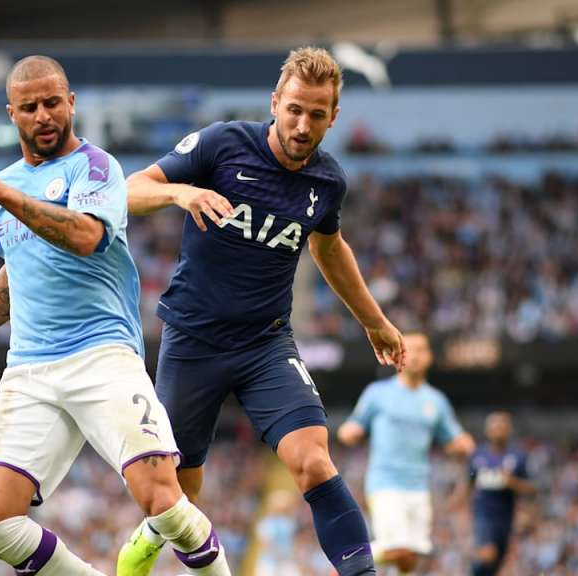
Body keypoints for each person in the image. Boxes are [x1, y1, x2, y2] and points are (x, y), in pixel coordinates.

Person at [0, 55, 230, 576]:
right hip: (30, 370)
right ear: (11, 114)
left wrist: (3, 192)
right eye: (28, 107)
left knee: (163, 502)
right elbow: (15, 275)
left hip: (101, 356)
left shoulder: (96, 168)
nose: (42, 115)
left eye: (50, 103)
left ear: (70, 103)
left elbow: (85, 236)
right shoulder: (9, 187)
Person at [118, 46, 406, 576]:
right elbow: (130, 189)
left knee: (314, 461)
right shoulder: (222, 144)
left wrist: (376, 322)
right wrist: (181, 193)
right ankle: (158, 527)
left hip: (266, 344)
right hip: (194, 340)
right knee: (175, 494)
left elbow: (328, 246)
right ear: (276, 102)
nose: (302, 124)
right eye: (294, 109)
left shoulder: (328, 183)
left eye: (317, 114)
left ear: (332, 117)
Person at [337, 332, 475, 574]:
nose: (415, 356)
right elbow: (352, 426)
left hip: (419, 486)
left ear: (430, 357)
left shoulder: (436, 401)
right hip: (385, 482)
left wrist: (463, 443)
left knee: (410, 559)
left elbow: (453, 439)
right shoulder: (377, 393)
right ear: (397, 355)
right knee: (397, 549)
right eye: (408, 350)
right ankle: (342, 565)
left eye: (421, 350)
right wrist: (350, 432)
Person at [466, 412, 534, 576]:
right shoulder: (477, 455)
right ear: (487, 430)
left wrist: (513, 483)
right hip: (483, 514)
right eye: (495, 426)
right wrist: (460, 510)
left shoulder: (518, 457)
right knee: (488, 555)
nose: (498, 430)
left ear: (509, 430)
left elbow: (531, 488)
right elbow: (468, 484)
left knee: (496, 564)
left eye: (502, 427)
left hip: (505, 517)